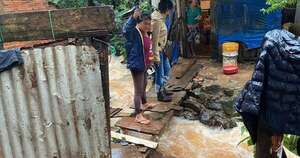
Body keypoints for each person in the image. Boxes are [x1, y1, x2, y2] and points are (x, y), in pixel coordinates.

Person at [123, 9, 156, 124]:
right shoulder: (134, 32)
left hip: (145, 64)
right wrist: (133, 18)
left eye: (149, 23)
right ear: (139, 23)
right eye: (145, 23)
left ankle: (145, 103)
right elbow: (126, 30)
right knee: (138, 90)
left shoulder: (146, 33)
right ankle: (138, 114)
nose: (147, 26)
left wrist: (151, 61)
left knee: (145, 84)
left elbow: (148, 49)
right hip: (137, 65)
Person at [151, 0, 174, 102]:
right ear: (166, 9)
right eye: (170, 9)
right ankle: (159, 94)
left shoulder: (162, 18)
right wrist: (155, 57)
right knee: (159, 73)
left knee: (167, 69)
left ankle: (163, 88)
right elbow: (154, 40)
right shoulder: (156, 20)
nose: (171, 12)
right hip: (158, 51)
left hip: (162, 49)